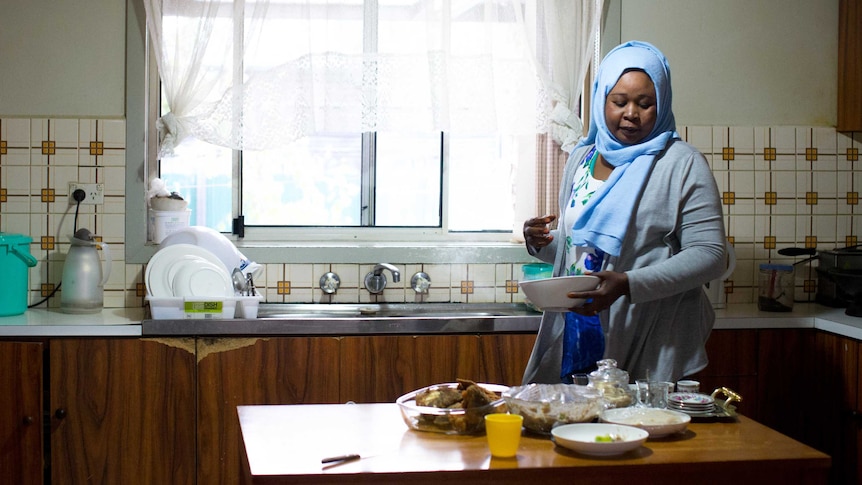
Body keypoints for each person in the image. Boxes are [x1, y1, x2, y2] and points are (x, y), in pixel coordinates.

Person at [521, 40, 727, 385]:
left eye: (645, 104)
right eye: (620, 101)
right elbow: (587, 249)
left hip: (648, 328)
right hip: (580, 326)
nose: (631, 113)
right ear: (603, 99)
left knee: (636, 431)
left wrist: (629, 285)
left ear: (661, 105)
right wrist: (543, 242)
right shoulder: (582, 159)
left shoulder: (681, 163)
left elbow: (710, 255)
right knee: (576, 429)